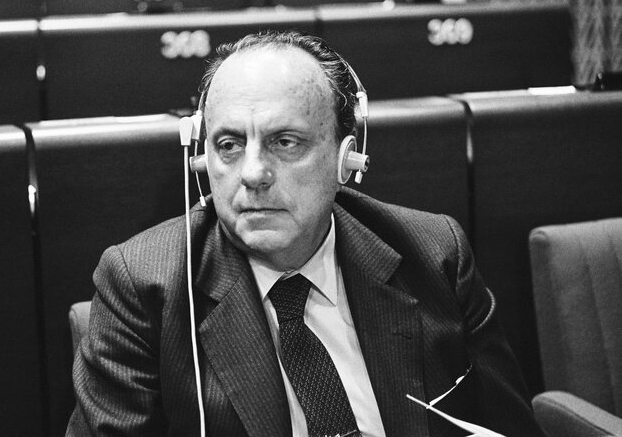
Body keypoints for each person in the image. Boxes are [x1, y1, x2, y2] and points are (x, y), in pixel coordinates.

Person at [66, 31, 545, 437]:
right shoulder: (144, 286)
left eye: (285, 142)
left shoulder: (434, 254)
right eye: (228, 145)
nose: (252, 173)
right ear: (200, 160)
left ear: (346, 159)